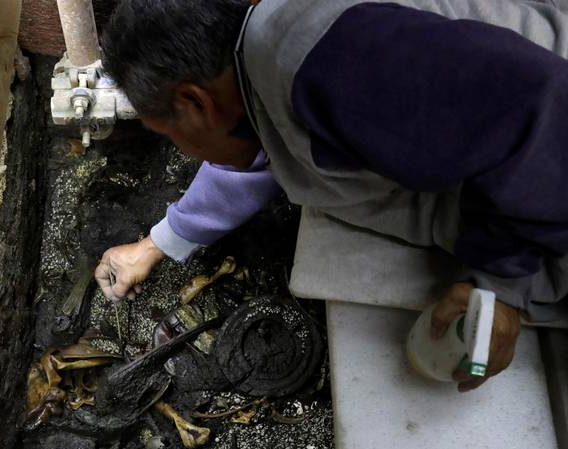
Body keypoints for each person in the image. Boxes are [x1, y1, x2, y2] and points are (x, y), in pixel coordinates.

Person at [94, 0, 568, 392]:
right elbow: (264, 152)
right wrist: (159, 242)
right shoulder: (259, 58)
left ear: (196, 102)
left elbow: (543, 114)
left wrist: (500, 284)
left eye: (168, 133)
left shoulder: (341, 64)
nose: (183, 149)